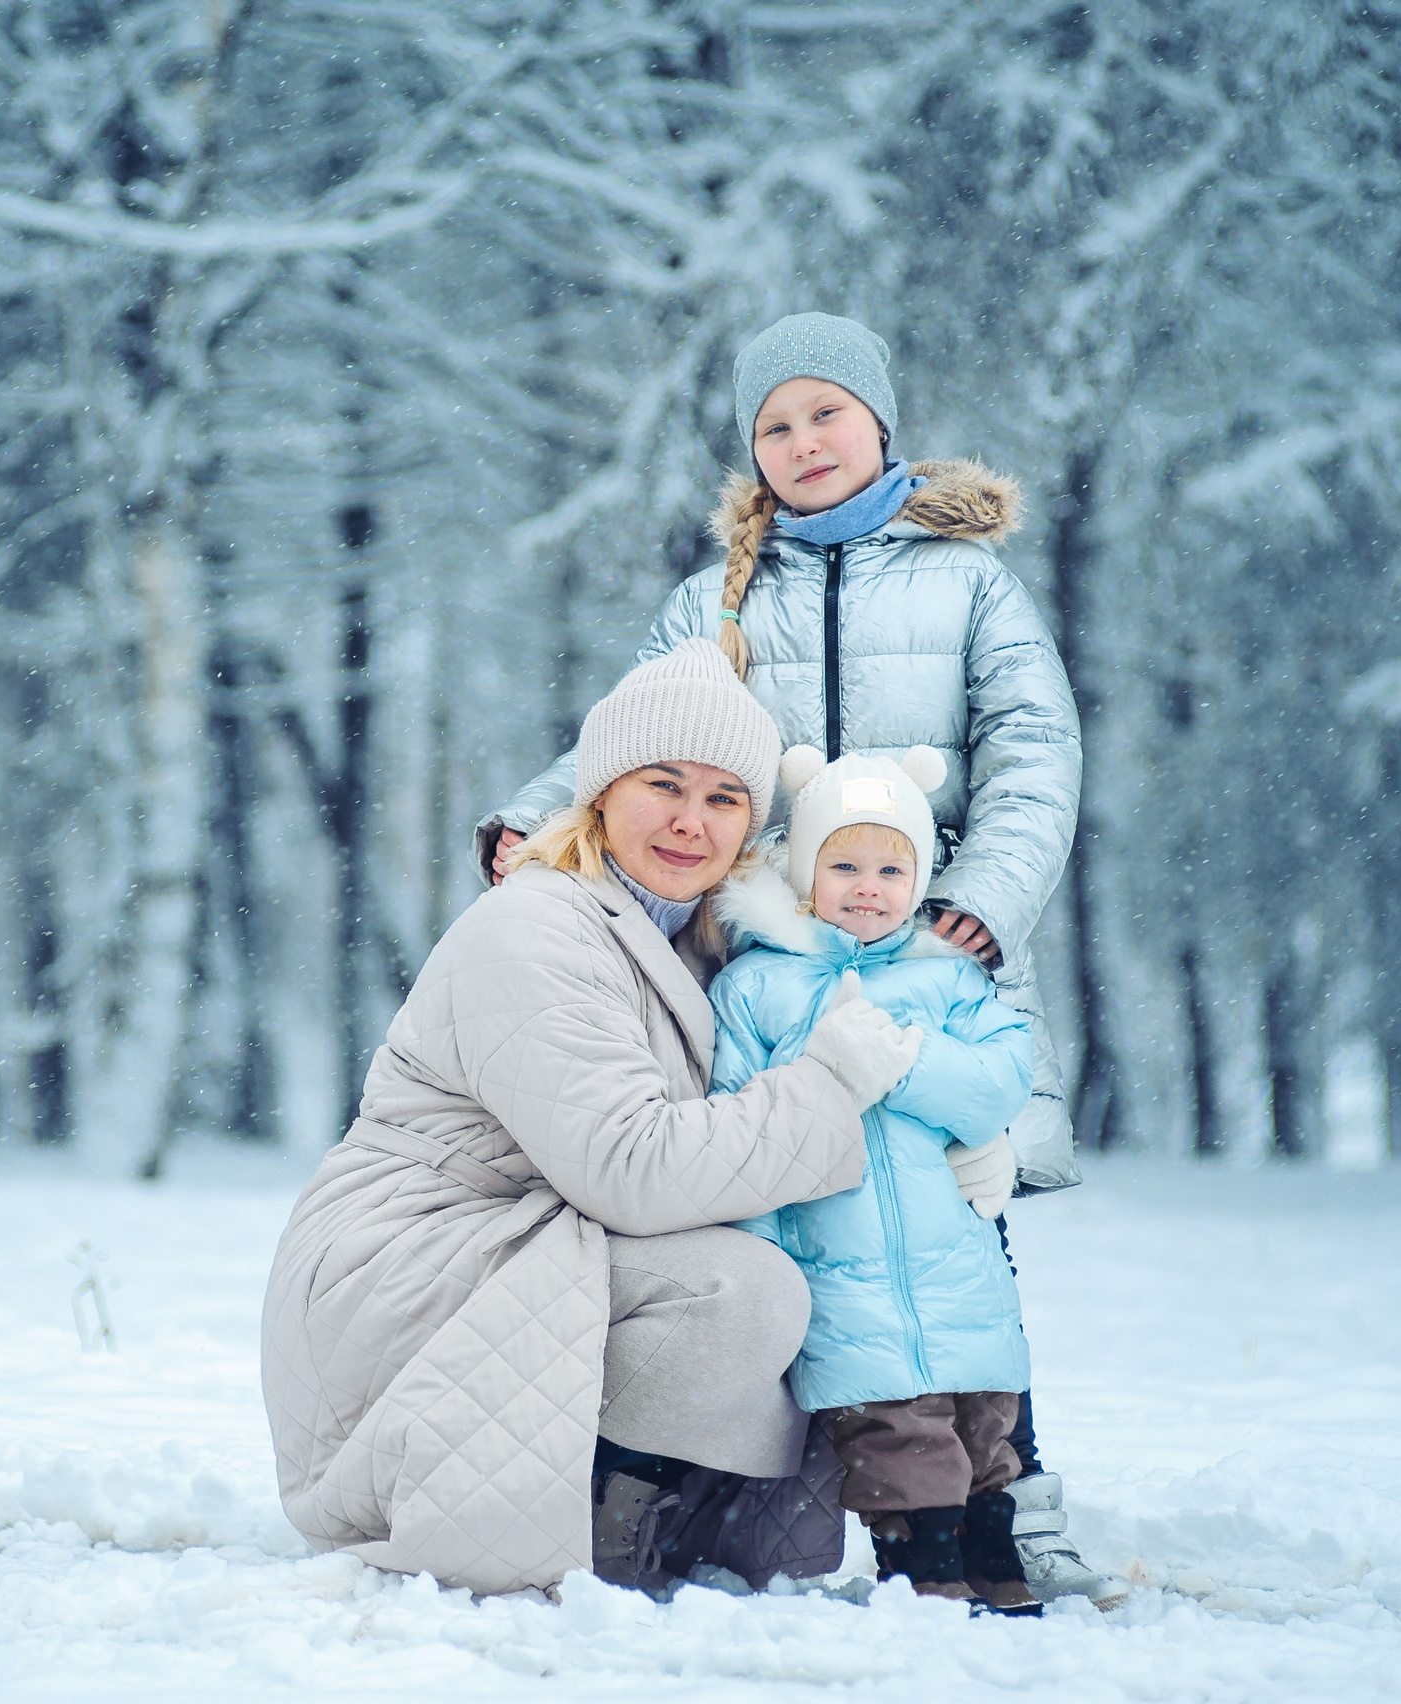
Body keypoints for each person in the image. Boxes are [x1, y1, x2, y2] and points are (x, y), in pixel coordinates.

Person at [476, 312, 1125, 1606]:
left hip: (933, 954)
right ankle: (779, 1493)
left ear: (882, 424)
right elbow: (633, 737)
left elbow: (1035, 756)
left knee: (962, 1231)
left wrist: (982, 905)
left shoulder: (966, 584)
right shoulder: (722, 600)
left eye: (824, 412)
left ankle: (1011, 1497)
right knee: (788, 1226)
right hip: (777, 962)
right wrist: (535, 817)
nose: (801, 441)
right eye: (774, 424)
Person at [261, 640, 917, 1598]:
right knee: (743, 1293)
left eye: (725, 798)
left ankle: (664, 1511)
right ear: (601, 792)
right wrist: (827, 1087)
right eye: (664, 784)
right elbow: (632, 1168)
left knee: (813, 1266)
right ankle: (594, 1518)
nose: (692, 822)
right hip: (414, 1258)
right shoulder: (537, 925)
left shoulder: (690, 939)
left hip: (531, 1236)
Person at [710, 744, 1039, 1612]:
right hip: (836, 1259)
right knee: (894, 1427)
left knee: (985, 1417)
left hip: (955, 1258)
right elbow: (739, 1121)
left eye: (892, 867)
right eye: (843, 864)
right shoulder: (758, 987)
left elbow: (1004, 1078)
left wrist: (906, 1063)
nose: (868, 886)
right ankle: (921, 1565)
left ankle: (993, 1554)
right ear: (803, 872)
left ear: (921, 875)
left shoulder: (945, 979)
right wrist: (762, 1257)